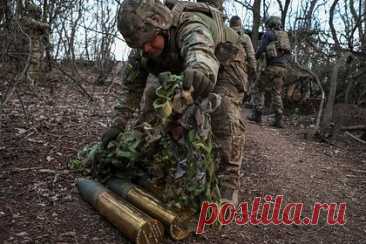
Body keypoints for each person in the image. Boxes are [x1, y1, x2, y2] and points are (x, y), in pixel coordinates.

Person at [106, 0, 249, 205]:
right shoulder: (142, 49)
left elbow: (200, 51)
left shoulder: (190, 26)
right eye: (139, 44)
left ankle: (228, 181)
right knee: (154, 101)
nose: (145, 48)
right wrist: (117, 124)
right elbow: (132, 90)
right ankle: (154, 158)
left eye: (149, 40)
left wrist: (200, 70)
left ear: (162, 26)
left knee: (223, 111)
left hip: (227, 61)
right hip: (187, 62)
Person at [249, 16, 291, 128]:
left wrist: (253, 58)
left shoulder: (268, 34)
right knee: (276, 92)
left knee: (257, 88)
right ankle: (279, 120)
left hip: (272, 67)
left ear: (270, 24)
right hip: (283, 69)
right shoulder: (284, 36)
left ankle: (257, 115)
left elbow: (261, 48)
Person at [229, 15, 256, 93]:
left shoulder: (224, 33)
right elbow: (251, 55)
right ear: (240, 25)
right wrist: (253, 69)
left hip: (224, 70)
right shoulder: (245, 37)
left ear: (230, 25)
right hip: (240, 70)